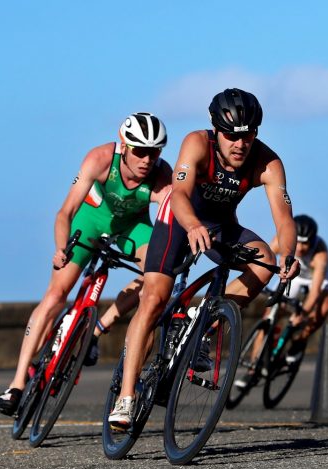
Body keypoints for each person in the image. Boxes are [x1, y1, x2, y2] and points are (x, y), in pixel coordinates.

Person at [108, 88, 300, 430]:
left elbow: (284, 219)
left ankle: (205, 322)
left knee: (264, 260)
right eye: (231, 135)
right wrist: (193, 224)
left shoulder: (268, 163)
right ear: (216, 130)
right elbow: (179, 193)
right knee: (153, 299)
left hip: (220, 226)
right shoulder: (197, 143)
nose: (240, 144)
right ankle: (126, 397)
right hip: (179, 219)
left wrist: (289, 254)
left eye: (248, 135)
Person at [0, 113, 173, 415]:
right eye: (140, 151)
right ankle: (15, 384)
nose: (146, 159)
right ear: (124, 146)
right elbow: (65, 212)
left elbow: (172, 213)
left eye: (153, 152)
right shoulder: (100, 159)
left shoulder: (161, 175)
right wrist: (60, 249)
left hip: (132, 227)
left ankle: (98, 329)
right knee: (56, 294)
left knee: (155, 275)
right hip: (90, 220)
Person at [234, 215, 328, 389]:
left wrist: (302, 314)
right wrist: (249, 294)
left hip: (317, 280)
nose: (301, 249)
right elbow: (263, 263)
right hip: (293, 277)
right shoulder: (283, 241)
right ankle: (253, 370)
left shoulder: (320, 255)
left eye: (305, 244)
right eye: (298, 242)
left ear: (314, 241)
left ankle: (298, 343)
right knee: (268, 317)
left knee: (321, 312)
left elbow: (316, 290)